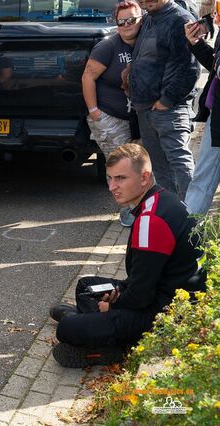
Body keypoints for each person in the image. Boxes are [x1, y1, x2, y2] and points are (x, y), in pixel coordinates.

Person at [50, 143, 202, 368]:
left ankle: (117, 345)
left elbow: (141, 296)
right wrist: (119, 293)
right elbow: (144, 278)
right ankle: (94, 323)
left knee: (66, 330)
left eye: (121, 178)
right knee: (86, 286)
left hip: (164, 313)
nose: (112, 187)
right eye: (110, 178)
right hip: (164, 291)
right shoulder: (163, 198)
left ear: (144, 177)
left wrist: (114, 305)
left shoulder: (151, 222)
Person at [128, 0, 199, 201]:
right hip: (147, 109)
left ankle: (193, 222)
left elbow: (190, 68)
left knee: (180, 165)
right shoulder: (150, 18)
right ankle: (171, 218)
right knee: (159, 170)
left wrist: (165, 102)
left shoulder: (180, 20)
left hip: (169, 110)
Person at [82, 0, 142, 227]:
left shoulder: (144, 41)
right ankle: (128, 212)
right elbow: (88, 77)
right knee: (121, 167)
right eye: (121, 21)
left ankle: (141, 208)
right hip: (109, 118)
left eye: (132, 20)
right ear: (115, 23)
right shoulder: (108, 46)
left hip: (137, 117)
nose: (127, 25)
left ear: (141, 19)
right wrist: (94, 111)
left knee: (139, 166)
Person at [183, 12, 220, 215]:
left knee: (202, 180)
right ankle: (186, 237)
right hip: (217, 117)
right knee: (202, 180)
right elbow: (216, 68)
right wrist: (196, 43)